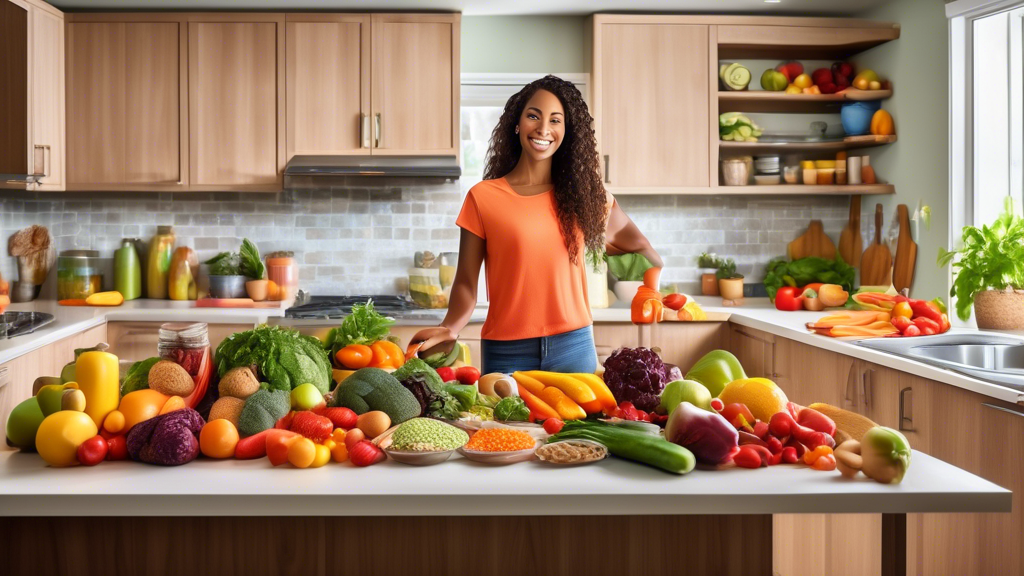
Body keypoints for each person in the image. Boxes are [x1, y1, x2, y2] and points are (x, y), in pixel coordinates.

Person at [410, 75, 662, 374]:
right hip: (506, 350)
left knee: (577, 424)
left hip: (574, 345)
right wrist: (451, 326)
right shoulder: (483, 197)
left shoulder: (587, 198)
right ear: (517, 123)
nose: (543, 129)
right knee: (503, 424)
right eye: (534, 116)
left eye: (556, 120)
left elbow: (645, 252)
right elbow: (466, 280)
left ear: (567, 132)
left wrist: (651, 290)